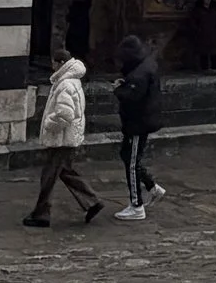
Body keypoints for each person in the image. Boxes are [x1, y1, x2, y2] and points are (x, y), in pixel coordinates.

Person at [24, 46, 103, 228]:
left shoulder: (65, 84)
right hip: (66, 138)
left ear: (60, 63)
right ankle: (92, 202)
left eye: (53, 62)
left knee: (49, 176)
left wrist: (50, 124)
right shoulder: (70, 81)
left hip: (61, 138)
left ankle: (41, 214)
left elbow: (65, 114)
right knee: (66, 172)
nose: (51, 65)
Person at [111, 34, 165, 221]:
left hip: (138, 123)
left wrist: (119, 89)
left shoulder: (139, 75)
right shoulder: (147, 66)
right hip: (142, 120)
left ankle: (136, 205)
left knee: (132, 162)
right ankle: (152, 187)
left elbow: (133, 97)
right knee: (127, 155)